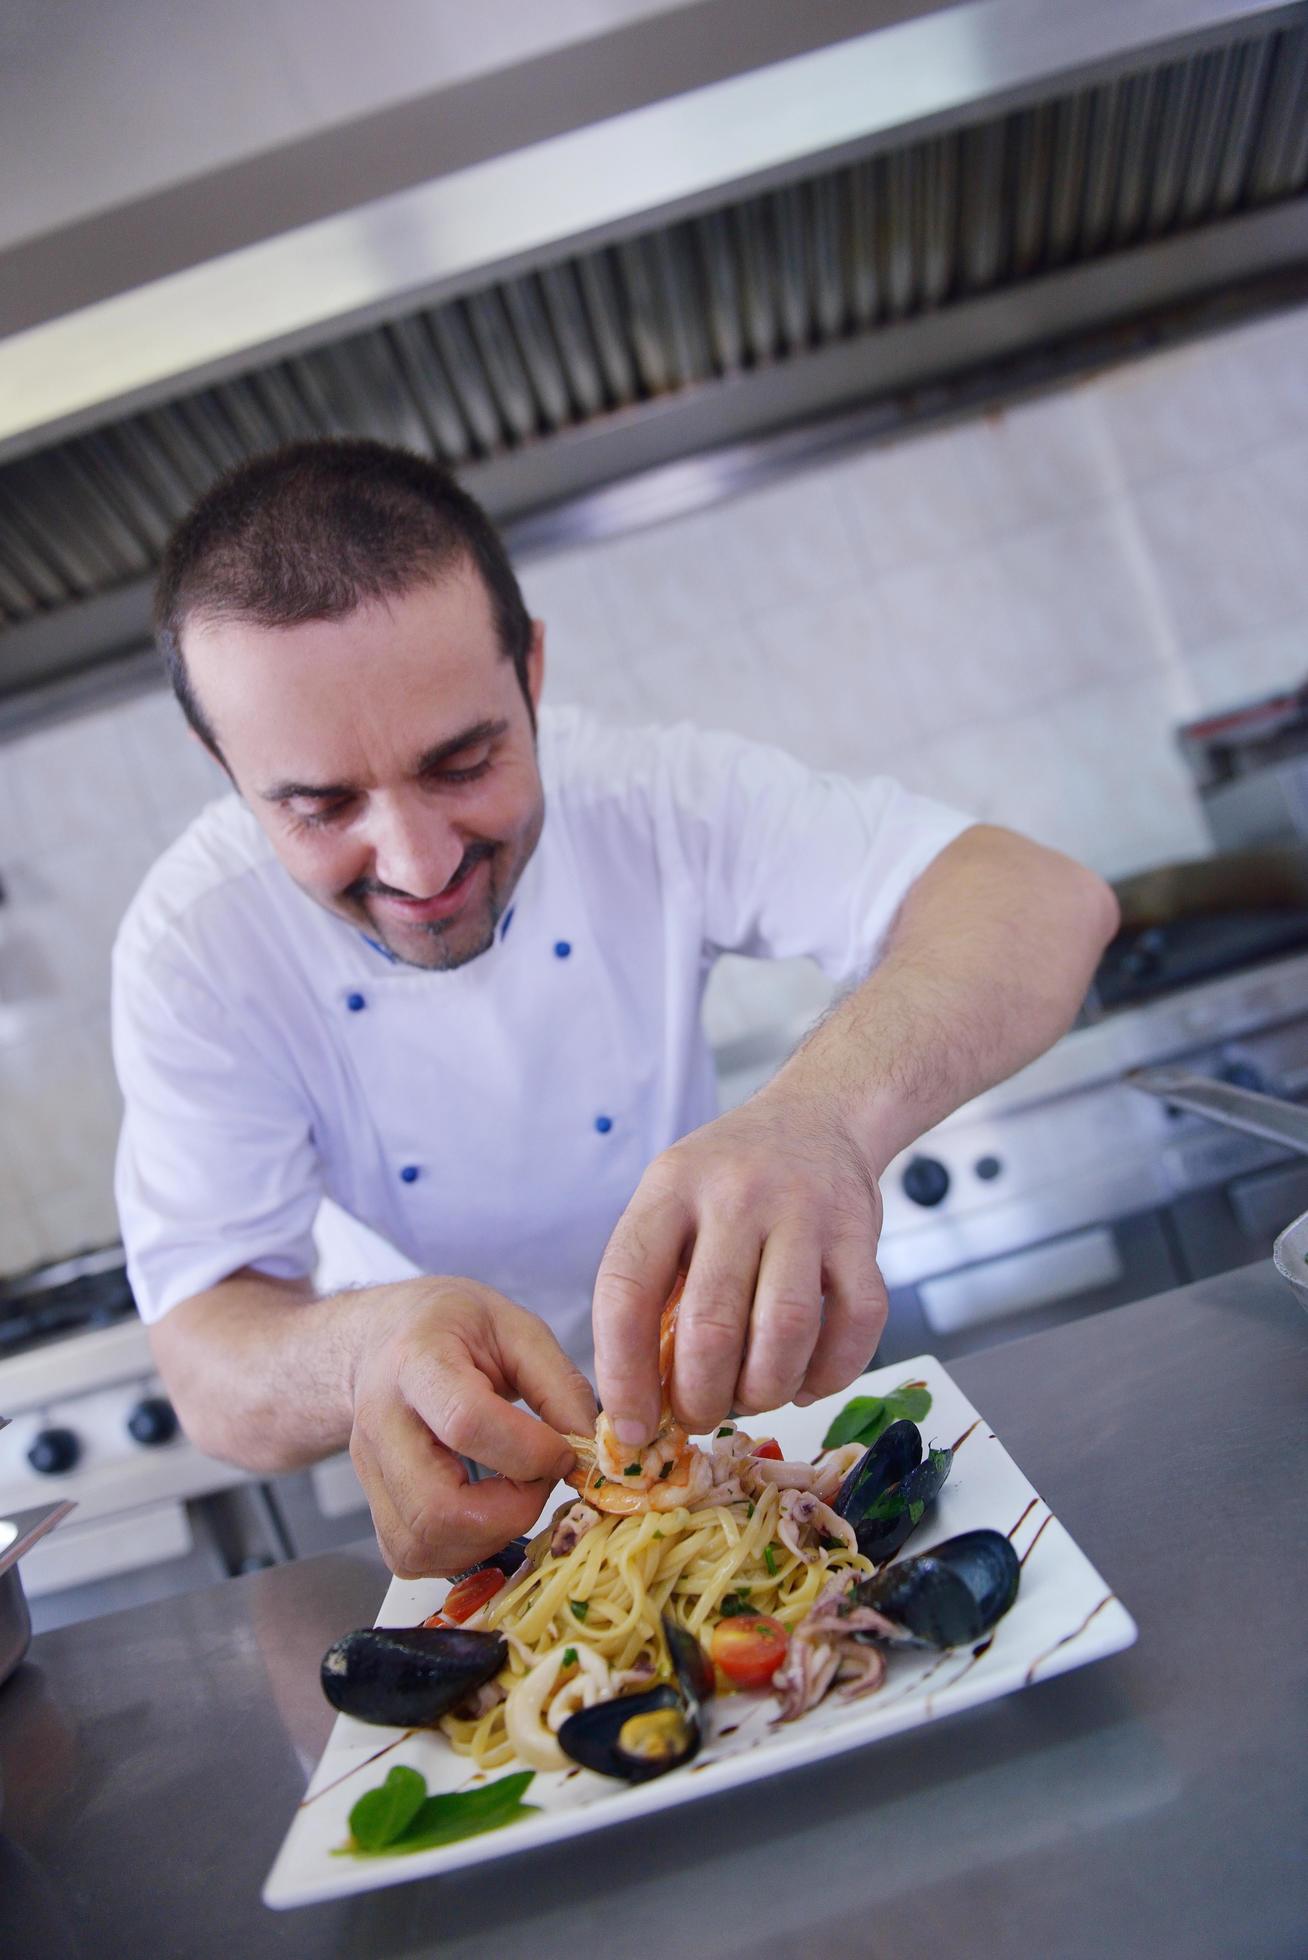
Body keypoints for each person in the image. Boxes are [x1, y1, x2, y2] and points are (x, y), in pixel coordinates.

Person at [112, 438, 1118, 1579]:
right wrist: (364, 1349)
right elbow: (205, 1358)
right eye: (321, 804)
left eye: (463, 760)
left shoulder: (648, 795)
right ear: (222, 761)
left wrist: (821, 1117)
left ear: (531, 672)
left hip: (732, 1423)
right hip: (462, 1492)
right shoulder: (195, 946)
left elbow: (1043, 901)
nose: (417, 858)